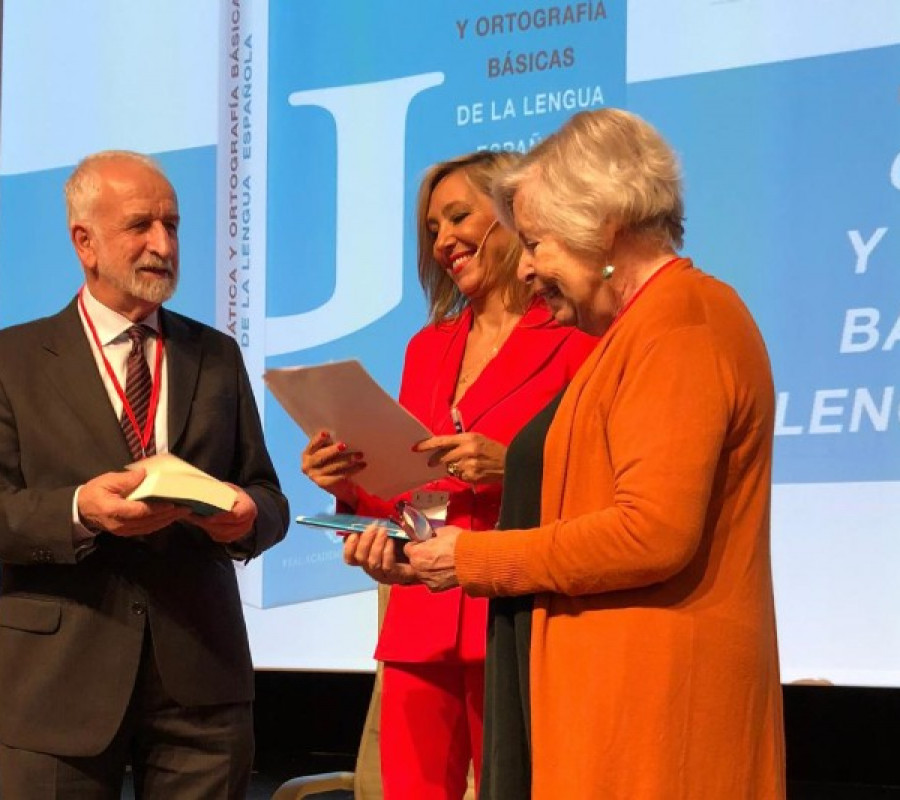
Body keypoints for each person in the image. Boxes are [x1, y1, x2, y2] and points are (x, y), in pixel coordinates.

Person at [349, 109, 787, 799]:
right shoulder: (637, 330)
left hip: (659, 719)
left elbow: (651, 535)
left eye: (538, 242)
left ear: (602, 225)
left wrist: (470, 560)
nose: (526, 267)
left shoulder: (681, 324)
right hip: (609, 702)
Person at [301, 150, 596, 800]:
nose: (443, 241)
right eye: (432, 228)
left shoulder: (578, 339)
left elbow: (597, 485)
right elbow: (409, 492)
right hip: (420, 623)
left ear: (515, 213)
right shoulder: (425, 347)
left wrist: (509, 465)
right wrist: (347, 486)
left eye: (458, 216)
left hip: (516, 616)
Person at [0, 150, 290, 799]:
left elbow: (268, 496)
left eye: (173, 225)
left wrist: (247, 517)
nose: (163, 244)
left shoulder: (215, 354)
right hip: (55, 683)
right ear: (85, 242)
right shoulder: (12, 359)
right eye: (141, 225)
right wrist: (80, 509)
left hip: (202, 684)